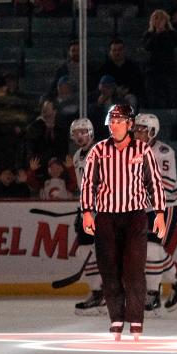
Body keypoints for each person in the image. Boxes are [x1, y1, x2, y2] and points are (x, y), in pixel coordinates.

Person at [80, 104, 166, 341]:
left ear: (129, 124)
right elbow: (88, 184)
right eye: (112, 121)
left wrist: (159, 212)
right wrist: (87, 212)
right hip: (106, 217)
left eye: (119, 121)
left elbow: (154, 182)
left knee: (134, 269)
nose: (114, 125)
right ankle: (116, 319)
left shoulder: (142, 150)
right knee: (109, 269)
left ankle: (136, 320)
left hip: (135, 216)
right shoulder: (98, 150)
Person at [133, 113, 177, 316]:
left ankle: (152, 296)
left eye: (142, 130)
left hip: (166, 207)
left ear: (153, 132)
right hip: (147, 208)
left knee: (152, 248)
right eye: (136, 129)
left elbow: (166, 185)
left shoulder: (163, 152)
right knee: (152, 249)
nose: (137, 133)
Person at [69, 118, 106, 316]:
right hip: (88, 210)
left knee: (106, 253)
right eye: (76, 132)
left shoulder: (101, 151)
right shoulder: (77, 156)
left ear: (91, 133)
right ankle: (97, 292)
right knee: (85, 250)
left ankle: (109, 293)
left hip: (104, 209)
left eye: (83, 132)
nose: (80, 136)